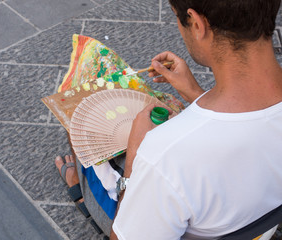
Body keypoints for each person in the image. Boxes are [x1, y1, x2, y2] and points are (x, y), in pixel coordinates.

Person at [56, 0, 282, 239]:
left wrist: (135, 159)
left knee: (78, 111)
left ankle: (80, 185)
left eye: (176, 16)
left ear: (196, 23)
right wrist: (196, 94)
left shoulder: (165, 157)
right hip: (257, 225)